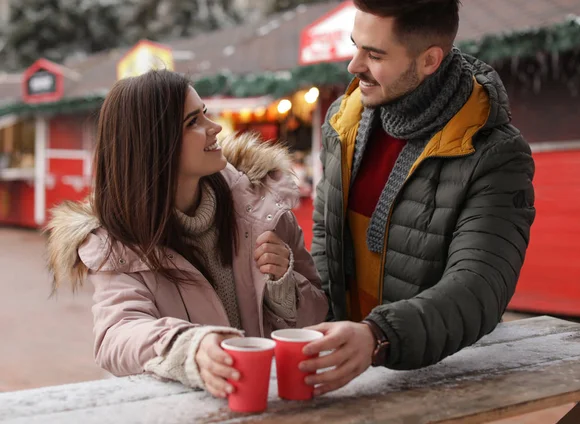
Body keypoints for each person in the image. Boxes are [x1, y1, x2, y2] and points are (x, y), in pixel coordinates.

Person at [46, 70, 328, 398]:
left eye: (204, 113)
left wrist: (285, 287)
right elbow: (115, 338)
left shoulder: (266, 208)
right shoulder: (117, 243)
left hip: (274, 406)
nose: (215, 127)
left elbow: (319, 316)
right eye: (193, 122)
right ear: (154, 145)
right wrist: (189, 347)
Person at [303, 0, 536, 396]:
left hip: (440, 382)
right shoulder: (343, 119)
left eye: (374, 54)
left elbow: (478, 287)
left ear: (429, 60)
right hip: (342, 375)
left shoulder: (495, 155)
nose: (353, 65)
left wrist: (378, 336)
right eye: (355, 45)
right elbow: (327, 237)